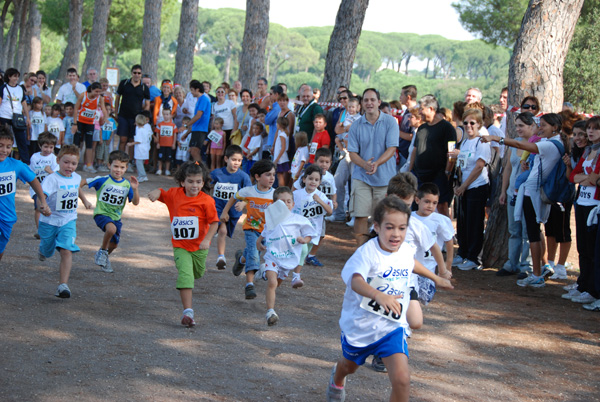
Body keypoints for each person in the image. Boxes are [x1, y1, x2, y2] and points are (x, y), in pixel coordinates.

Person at [326, 196, 453, 402]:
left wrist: (435, 277)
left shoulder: (404, 249)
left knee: (402, 379)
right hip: (361, 327)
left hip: (392, 326)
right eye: (390, 227)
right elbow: (355, 280)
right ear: (376, 226)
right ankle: (337, 379)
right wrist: (378, 295)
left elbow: (410, 262)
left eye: (402, 228)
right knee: (349, 366)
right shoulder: (366, 253)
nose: (396, 234)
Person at [482, 113, 569, 288]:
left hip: (534, 193)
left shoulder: (551, 145)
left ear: (554, 127)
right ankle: (538, 270)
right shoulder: (550, 143)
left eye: (543, 125)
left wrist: (497, 139)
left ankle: (536, 272)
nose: (540, 128)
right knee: (533, 233)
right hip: (530, 191)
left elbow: (520, 144)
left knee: (533, 234)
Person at [148, 161, 219, 327]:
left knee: (197, 273)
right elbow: (162, 193)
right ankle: (188, 312)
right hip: (181, 247)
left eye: (198, 182)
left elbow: (214, 223)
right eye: (190, 181)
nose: (194, 185)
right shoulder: (174, 194)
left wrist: (207, 239)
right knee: (185, 276)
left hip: (199, 247)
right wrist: (156, 192)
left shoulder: (207, 201)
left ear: (203, 182)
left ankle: (190, 283)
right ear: (182, 182)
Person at [256, 187, 318, 325]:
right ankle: (270, 312)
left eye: (289, 201)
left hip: (289, 258)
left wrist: (304, 240)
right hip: (272, 256)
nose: (286, 204)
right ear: (274, 205)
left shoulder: (298, 219)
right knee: (272, 283)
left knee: (276, 284)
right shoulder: (272, 219)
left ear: (293, 204)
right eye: (282, 202)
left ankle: (264, 273)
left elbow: (310, 234)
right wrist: (259, 241)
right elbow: (265, 232)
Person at [38, 145, 93, 298]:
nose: (70, 166)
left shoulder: (75, 177)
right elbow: (41, 196)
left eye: (73, 164)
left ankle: (63, 285)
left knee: (66, 249)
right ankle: (43, 250)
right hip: (49, 221)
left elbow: (76, 188)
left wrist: (85, 200)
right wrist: (44, 206)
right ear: (58, 160)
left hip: (68, 220)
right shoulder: (52, 179)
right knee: (47, 250)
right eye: (66, 162)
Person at [348, 88, 399, 246]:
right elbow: (352, 153)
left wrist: (377, 163)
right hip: (361, 177)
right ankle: (361, 251)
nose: (369, 103)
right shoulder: (356, 125)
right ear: (362, 104)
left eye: (372, 100)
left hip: (384, 178)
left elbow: (392, 148)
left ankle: (381, 250)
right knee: (360, 215)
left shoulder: (390, 122)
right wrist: (365, 164)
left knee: (383, 217)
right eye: (366, 100)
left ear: (378, 102)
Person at [224, 159, 276, 300]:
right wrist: (225, 212)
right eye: (268, 174)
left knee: (251, 253)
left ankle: (241, 259)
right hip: (251, 229)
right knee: (254, 255)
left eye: (273, 174)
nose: (272, 178)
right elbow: (233, 197)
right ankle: (249, 285)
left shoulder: (275, 195)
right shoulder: (248, 191)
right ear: (257, 177)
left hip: (266, 232)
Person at [83, 150, 139, 273]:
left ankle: (103, 256)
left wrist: (135, 190)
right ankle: (103, 251)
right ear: (109, 165)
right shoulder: (102, 179)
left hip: (116, 218)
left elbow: (135, 202)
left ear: (126, 168)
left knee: (114, 245)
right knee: (111, 229)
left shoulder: (126, 184)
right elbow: (81, 183)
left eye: (122, 167)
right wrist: (84, 199)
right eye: (115, 166)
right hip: (101, 214)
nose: (118, 170)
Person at [0, 126, 50, 261]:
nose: (4, 150)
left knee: (1, 246)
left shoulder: (16, 165)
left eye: (8, 146)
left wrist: (43, 201)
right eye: (1, 145)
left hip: (7, 215)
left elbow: (34, 180)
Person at [450, 108, 491, 271]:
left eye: (472, 123)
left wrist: (464, 185)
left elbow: (479, 166)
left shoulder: (481, 142)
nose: (468, 126)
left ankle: (474, 257)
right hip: (463, 187)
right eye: (465, 123)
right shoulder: (466, 141)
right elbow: (461, 163)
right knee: (462, 221)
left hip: (476, 186)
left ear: (479, 124)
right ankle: (463, 252)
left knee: (474, 222)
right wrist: (457, 183)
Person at [565, 116, 600, 305]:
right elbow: (572, 176)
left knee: (594, 250)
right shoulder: (588, 151)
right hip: (582, 203)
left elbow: (595, 179)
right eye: (589, 128)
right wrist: (586, 177)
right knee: (583, 248)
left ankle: (594, 289)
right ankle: (584, 284)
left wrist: (586, 177)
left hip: (595, 205)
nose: (591, 132)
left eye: (595, 129)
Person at [495, 112, 535, 277]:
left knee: (527, 231)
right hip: (512, 193)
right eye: (516, 125)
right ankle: (512, 263)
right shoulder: (515, 143)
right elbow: (508, 169)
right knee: (514, 230)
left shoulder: (536, 145)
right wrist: (503, 190)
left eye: (521, 126)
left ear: (531, 126)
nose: (518, 129)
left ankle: (526, 265)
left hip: (528, 194)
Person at [410, 95, 456, 217]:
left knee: (441, 205)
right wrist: (410, 170)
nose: (420, 112)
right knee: (417, 205)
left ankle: (447, 234)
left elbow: (451, 153)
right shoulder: (421, 128)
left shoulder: (447, 128)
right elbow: (415, 150)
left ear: (431, 109)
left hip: (438, 174)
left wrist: (447, 172)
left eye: (422, 109)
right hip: (420, 175)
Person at [210, 145, 251, 271]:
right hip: (217, 207)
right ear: (226, 159)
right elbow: (207, 186)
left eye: (239, 160)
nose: (236, 163)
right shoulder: (217, 173)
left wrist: (243, 203)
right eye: (233, 159)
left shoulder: (243, 177)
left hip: (233, 211)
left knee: (224, 231)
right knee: (222, 231)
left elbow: (249, 193)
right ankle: (221, 257)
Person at [412, 183, 455, 302]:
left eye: (434, 203)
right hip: (411, 267)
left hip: (429, 270)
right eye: (427, 201)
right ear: (417, 200)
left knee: (423, 299)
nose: (430, 206)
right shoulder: (409, 218)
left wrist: (448, 266)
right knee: (411, 299)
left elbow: (449, 241)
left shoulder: (441, 220)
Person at [291, 165, 333, 285]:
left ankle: (291, 271)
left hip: (313, 230)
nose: (313, 182)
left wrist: (319, 201)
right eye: (310, 178)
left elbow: (329, 211)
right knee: (303, 250)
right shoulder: (297, 194)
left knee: (304, 253)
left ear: (319, 182)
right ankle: (296, 276)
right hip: (298, 229)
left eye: (316, 180)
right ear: (304, 179)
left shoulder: (321, 196)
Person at [72, 82, 108, 173]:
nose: (97, 94)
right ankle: (73, 163)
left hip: (90, 123)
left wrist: (105, 118)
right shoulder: (83, 96)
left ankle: (88, 165)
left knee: (89, 144)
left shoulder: (99, 98)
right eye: (96, 91)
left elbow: (103, 109)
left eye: (99, 92)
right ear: (91, 89)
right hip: (80, 121)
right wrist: (75, 123)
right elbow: (76, 109)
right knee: (77, 144)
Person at [29, 132, 59, 237]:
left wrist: (50, 171)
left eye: (51, 147)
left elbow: (57, 175)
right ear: (40, 145)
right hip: (37, 188)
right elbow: (31, 172)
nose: (48, 150)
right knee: (39, 208)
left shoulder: (54, 158)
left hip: (50, 189)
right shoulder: (34, 157)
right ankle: (40, 231)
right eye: (46, 147)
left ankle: (51, 229)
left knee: (50, 209)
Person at [115, 65, 151, 152]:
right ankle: (120, 158)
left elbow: (147, 104)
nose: (136, 75)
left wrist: (143, 118)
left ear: (141, 74)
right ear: (131, 73)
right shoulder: (124, 83)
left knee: (132, 140)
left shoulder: (144, 87)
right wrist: (116, 112)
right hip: (123, 115)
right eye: (135, 72)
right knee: (123, 139)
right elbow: (117, 98)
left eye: (139, 73)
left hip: (136, 117)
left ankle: (130, 161)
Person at [0, 68, 31, 163]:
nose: (16, 78)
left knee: (21, 140)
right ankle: (5, 160)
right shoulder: (3, 88)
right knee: (5, 138)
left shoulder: (20, 88)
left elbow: (24, 102)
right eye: (14, 76)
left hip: (17, 116)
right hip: (4, 115)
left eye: (17, 76)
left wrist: (27, 117)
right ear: (9, 77)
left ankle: (26, 162)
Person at [183, 80, 211, 163]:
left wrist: (187, 125)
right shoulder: (200, 99)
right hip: (197, 129)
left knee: (195, 151)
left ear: (197, 90)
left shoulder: (204, 99)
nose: (191, 92)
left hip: (200, 130)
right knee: (192, 151)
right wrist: (187, 133)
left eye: (192, 90)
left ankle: (200, 170)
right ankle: (197, 169)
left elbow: (198, 115)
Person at [126, 114, 152, 183]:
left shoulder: (140, 130)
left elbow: (138, 141)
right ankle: (141, 175)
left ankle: (143, 176)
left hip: (141, 149)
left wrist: (131, 143)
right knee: (141, 162)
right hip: (144, 148)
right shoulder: (144, 129)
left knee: (139, 162)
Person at [398, 85, 418, 168]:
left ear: (408, 97)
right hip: (402, 153)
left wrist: (396, 130)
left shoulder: (416, 114)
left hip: (406, 156)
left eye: (402, 95)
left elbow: (412, 136)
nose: (400, 97)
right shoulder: (407, 111)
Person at [153, 107, 178, 176]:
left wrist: (174, 143)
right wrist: (158, 142)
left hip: (169, 144)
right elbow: (157, 133)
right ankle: (159, 169)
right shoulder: (160, 124)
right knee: (160, 157)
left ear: (170, 115)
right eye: (164, 114)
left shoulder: (173, 125)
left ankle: (167, 169)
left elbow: (175, 134)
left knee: (168, 158)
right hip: (161, 144)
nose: (166, 116)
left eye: (167, 114)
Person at [97, 104, 117, 171]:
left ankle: (104, 164)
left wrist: (110, 138)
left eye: (109, 109)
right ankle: (99, 164)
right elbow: (100, 129)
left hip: (108, 139)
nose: (108, 111)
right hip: (102, 138)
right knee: (100, 151)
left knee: (106, 152)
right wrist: (100, 138)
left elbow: (112, 130)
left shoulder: (112, 120)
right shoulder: (102, 119)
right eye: (106, 109)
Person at [273, 116, 290, 186]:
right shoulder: (282, 133)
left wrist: (277, 159)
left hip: (280, 158)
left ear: (279, 124)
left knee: (279, 175)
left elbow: (283, 148)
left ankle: (281, 189)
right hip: (281, 157)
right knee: (280, 175)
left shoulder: (282, 135)